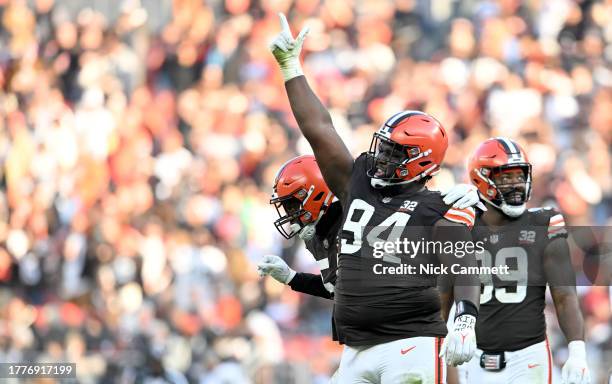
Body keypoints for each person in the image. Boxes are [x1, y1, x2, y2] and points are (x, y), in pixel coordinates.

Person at [269, 14, 481, 383]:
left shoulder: (439, 206)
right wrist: (291, 70)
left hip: (411, 343)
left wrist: (464, 318)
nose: (382, 158)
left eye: (396, 153)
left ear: (423, 161)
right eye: (383, 148)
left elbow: (464, 265)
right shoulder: (358, 186)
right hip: (354, 350)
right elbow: (319, 130)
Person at [459, 137, 591, 384]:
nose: (516, 184)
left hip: (528, 356)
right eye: (505, 178)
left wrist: (577, 351)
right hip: (472, 357)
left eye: (519, 176)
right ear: (481, 179)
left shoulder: (545, 223)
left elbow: (564, 296)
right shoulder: (462, 223)